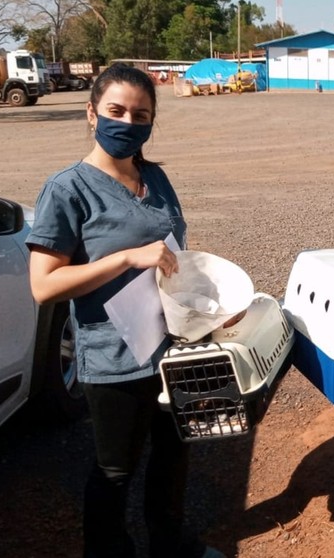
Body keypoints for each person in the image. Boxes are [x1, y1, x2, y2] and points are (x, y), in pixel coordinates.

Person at [26, 63, 224, 558]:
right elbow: (43, 286)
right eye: (116, 111)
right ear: (92, 114)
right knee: (115, 468)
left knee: (174, 452)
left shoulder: (154, 177)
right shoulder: (67, 189)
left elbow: (176, 251)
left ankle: (170, 545)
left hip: (172, 346)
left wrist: (210, 306)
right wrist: (124, 258)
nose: (128, 123)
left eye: (141, 114)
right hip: (113, 357)